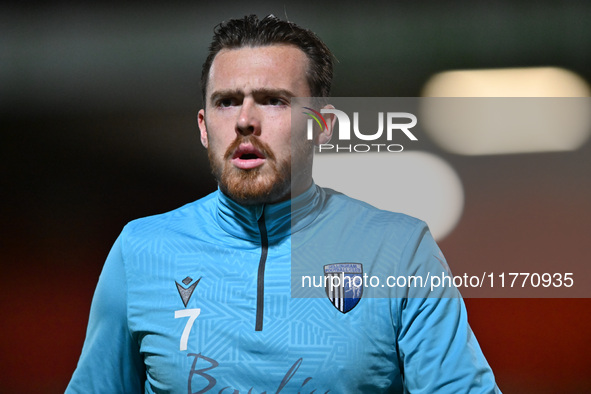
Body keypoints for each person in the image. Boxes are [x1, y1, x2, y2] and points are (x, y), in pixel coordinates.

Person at [67, 14, 500, 393]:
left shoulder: (400, 251)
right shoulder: (140, 251)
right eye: (226, 102)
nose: (244, 121)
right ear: (203, 127)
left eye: (273, 100)